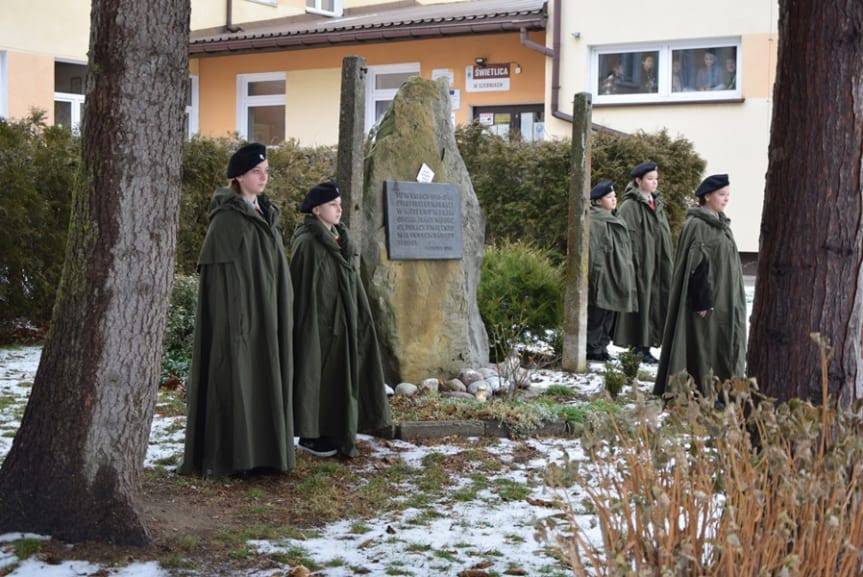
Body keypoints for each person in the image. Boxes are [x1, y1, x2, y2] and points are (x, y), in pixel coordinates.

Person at [180, 143, 295, 477]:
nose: (263, 178)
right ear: (239, 177)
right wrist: (240, 320)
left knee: (266, 375)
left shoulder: (266, 214)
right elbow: (221, 283)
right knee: (240, 377)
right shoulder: (227, 220)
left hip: (268, 313)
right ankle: (238, 456)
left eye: (266, 172)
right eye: (257, 172)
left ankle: (268, 453)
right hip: (241, 320)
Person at [291, 181, 391, 458]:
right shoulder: (307, 244)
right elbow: (304, 291)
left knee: (342, 375)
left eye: (340, 204)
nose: (339, 209)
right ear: (316, 209)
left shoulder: (341, 239)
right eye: (333, 204)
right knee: (319, 374)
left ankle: (338, 427)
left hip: (344, 318)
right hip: (320, 323)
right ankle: (313, 433)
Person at [654, 175, 746, 396]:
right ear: (707, 196)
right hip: (706, 300)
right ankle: (705, 391)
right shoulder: (697, 225)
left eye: (728, 195)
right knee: (705, 344)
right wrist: (703, 301)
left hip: (726, 297)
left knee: (724, 342)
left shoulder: (721, 223)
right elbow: (696, 267)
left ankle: (724, 390)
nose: (726, 200)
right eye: (721, 195)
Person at [613, 162, 673, 364]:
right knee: (641, 304)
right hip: (640, 266)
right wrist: (631, 264)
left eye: (656, 178)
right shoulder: (630, 206)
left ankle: (648, 345)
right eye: (650, 178)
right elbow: (624, 238)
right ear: (638, 181)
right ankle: (639, 346)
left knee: (655, 304)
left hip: (658, 265)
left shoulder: (657, 205)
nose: (654, 182)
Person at [587, 180, 638, 361]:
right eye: (609, 197)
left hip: (617, 273)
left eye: (615, 196)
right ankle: (592, 349)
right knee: (597, 314)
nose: (614, 200)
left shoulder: (616, 218)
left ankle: (602, 347)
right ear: (598, 201)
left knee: (610, 313)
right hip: (603, 274)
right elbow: (593, 250)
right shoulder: (595, 221)